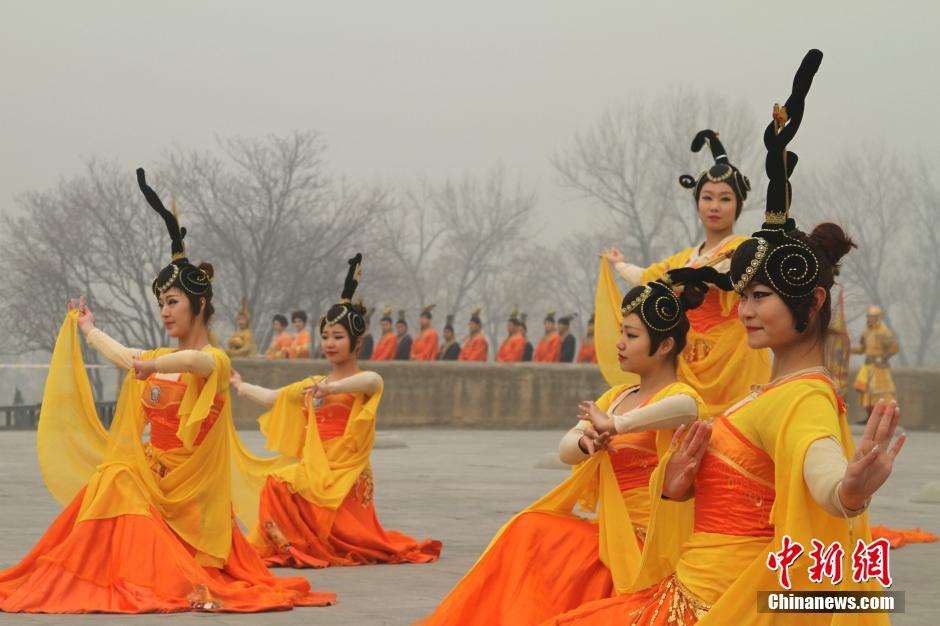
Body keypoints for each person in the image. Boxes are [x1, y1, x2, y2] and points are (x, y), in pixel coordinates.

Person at [548, 49, 902, 626]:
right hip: (684, 591)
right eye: (745, 295)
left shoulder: (803, 398)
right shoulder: (766, 392)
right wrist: (682, 487)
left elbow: (821, 472)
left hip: (714, 606)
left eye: (759, 296)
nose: (744, 309)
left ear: (809, 303)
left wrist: (848, 492)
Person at [0, 169, 331, 613]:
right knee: (111, 477)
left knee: (118, 479)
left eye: (172, 302)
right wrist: (89, 328)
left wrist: (148, 365)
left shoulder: (215, 361)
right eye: (161, 304)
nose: (164, 312)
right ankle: (82, 570)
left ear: (199, 305)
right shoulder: (157, 356)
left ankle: (145, 571)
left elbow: (189, 361)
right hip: (154, 478)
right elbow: (124, 356)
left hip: (189, 498)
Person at [421, 279, 706, 626]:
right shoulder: (617, 395)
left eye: (631, 336)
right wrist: (588, 443)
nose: (619, 343)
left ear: (665, 345)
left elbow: (688, 408)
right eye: (621, 332)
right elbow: (565, 449)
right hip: (606, 530)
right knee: (528, 528)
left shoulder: (675, 396)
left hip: (645, 543)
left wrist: (617, 426)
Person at [231, 254, 442, 568]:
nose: (330, 343)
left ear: (357, 343)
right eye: (326, 337)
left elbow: (373, 380)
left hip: (347, 474)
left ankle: (311, 543)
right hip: (316, 469)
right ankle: (293, 544)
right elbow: (274, 398)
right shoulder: (314, 383)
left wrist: (330, 390)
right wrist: (241, 385)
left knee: (282, 484)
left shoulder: (359, 383)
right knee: (275, 483)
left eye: (338, 337)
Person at [601, 127, 771, 416]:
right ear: (697, 202)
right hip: (686, 355)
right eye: (707, 198)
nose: (715, 206)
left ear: (738, 205)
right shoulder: (684, 257)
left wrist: (690, 277)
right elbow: (649, 277)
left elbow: (723, 277)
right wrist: (618, 264)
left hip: (732, 356)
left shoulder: (744, 249)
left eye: (725, 198)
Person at [852, 305, 899, 415]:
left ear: (878, 318)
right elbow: (862, 349)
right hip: (868, 366)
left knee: (880, 393)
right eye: (868, 316)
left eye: (872, 317)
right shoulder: (866, 332)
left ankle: (881, 415)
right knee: (867, 393)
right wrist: (847, 349)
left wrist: (882, 358)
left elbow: (894, 348)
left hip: (880, 367)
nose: (869, 319)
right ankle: (869, 416)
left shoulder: (884, 332)